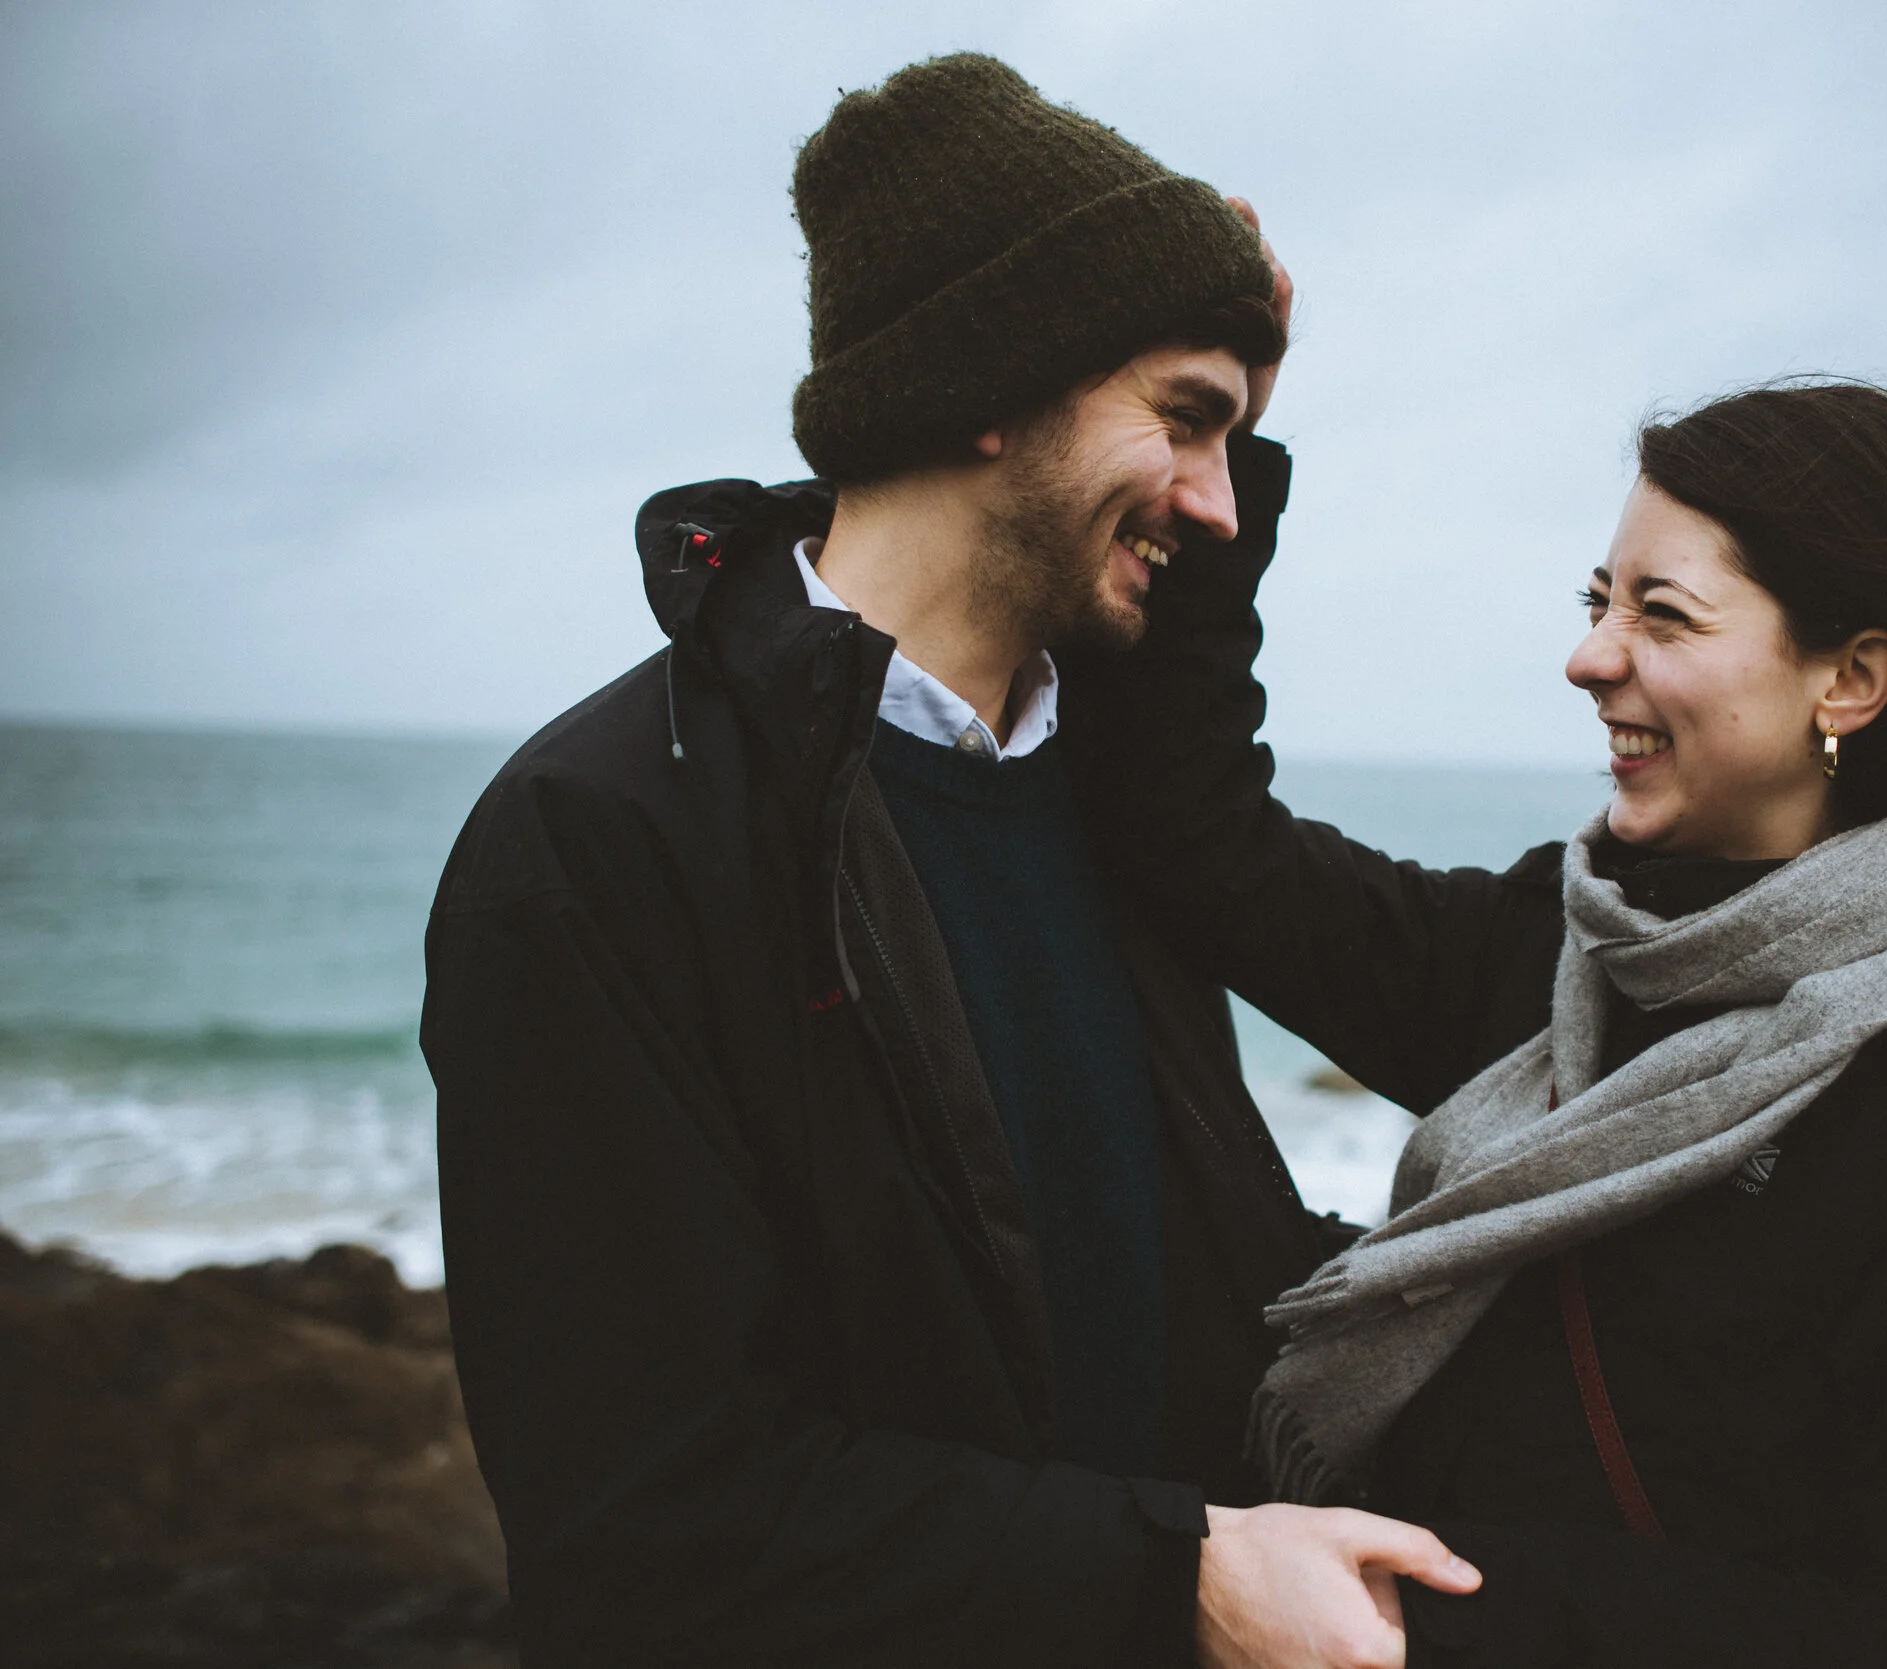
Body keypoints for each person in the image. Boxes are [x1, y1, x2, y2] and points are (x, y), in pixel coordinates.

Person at [422, 54, 1475, 1668]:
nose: (1217, 505)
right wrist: (1177, 1573)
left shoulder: (1121, 801)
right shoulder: (601, 837)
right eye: (1187, 422)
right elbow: (643, 1525)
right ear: (992, 381)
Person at [1057, 381, 1887, 1665]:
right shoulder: (1556, 955)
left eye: (1662, 614)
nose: (1590, 656)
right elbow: (1197, 840)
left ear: (1849, 678)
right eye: (1599, 601)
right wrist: (1214, 451)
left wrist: (1450, 1616)